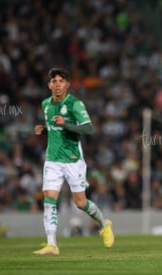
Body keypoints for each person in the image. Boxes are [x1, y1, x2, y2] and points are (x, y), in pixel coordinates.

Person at [33, 68, 114, 255]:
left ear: (68, 84)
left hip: (72, 160)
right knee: (49, 199)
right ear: (49, 85)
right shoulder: (45, 104)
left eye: (61, 81)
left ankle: (104, 224)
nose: (58, 84)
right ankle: (51, 244)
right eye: (54, 81)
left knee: (80, 202)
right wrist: (44, 130)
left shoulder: (75, 104)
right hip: (52, 160)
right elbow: (54, 127)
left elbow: (88, 129)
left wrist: (66, 124)